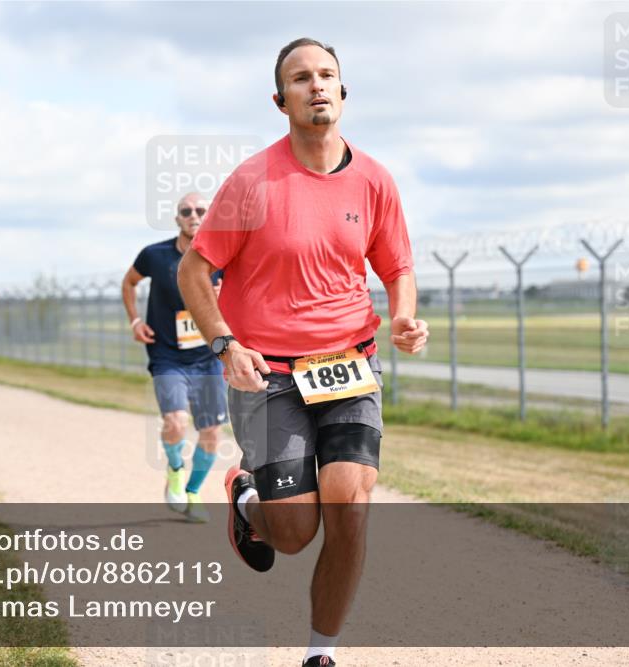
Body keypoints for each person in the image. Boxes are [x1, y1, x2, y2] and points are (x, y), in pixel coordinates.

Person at [178, 38, 429, 667]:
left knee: (350, 504)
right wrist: (224, 344)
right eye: (300, 78)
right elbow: (194, 269)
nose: (316, 85)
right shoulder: (252, 181)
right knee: (292, 534)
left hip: (349, 365)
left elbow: (397, 267)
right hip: (268, 376)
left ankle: (322, 653)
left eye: (326, 75)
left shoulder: (374, 180)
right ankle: (246, 498)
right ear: (280, 100)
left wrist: (402, 315)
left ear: (342, 91)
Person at [122, 193, 227, 523]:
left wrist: (225, 298)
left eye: (200, 210)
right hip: (167, 355)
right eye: (186, 211)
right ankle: (176, 469)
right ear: (177, 218)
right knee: (175, 422)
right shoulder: (155, 255)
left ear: (209, 216)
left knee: (212, 432)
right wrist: (135, 321)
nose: (193, 215)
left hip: (209, 357)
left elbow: (244, 298)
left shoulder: (223, 257)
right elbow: (129, 283)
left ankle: (193, 492)